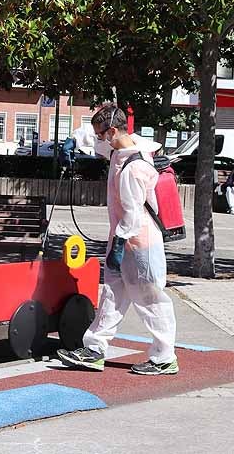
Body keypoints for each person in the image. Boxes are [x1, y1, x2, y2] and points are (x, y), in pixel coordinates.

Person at [57, 104, 179, 375]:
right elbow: (93, 140)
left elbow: (133, 213)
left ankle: (164, 356)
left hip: (140, 242)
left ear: (112, 131)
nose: (99, 139)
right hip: (124, 240)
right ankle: (95, 348)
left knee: (150, 299)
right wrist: (74, 139)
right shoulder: (119, 149)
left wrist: (120, 245)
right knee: (112, 294)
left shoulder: (133, 168)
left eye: (102, 134)